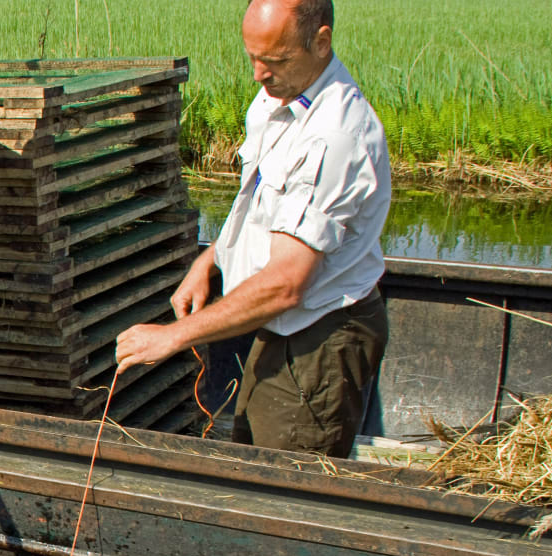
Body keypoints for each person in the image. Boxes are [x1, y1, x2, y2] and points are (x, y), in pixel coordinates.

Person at [113, 0, 390, 457]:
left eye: (274, 60)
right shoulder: (281, 94)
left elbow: (285, 285)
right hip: (281, 326)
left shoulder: (333, 136)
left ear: (321, 42)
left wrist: (172, 336)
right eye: (252, 57)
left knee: (287, 490)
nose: (259, 73)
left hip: (317, 335)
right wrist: (212, 258)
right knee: (253, 454)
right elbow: (263, 208)